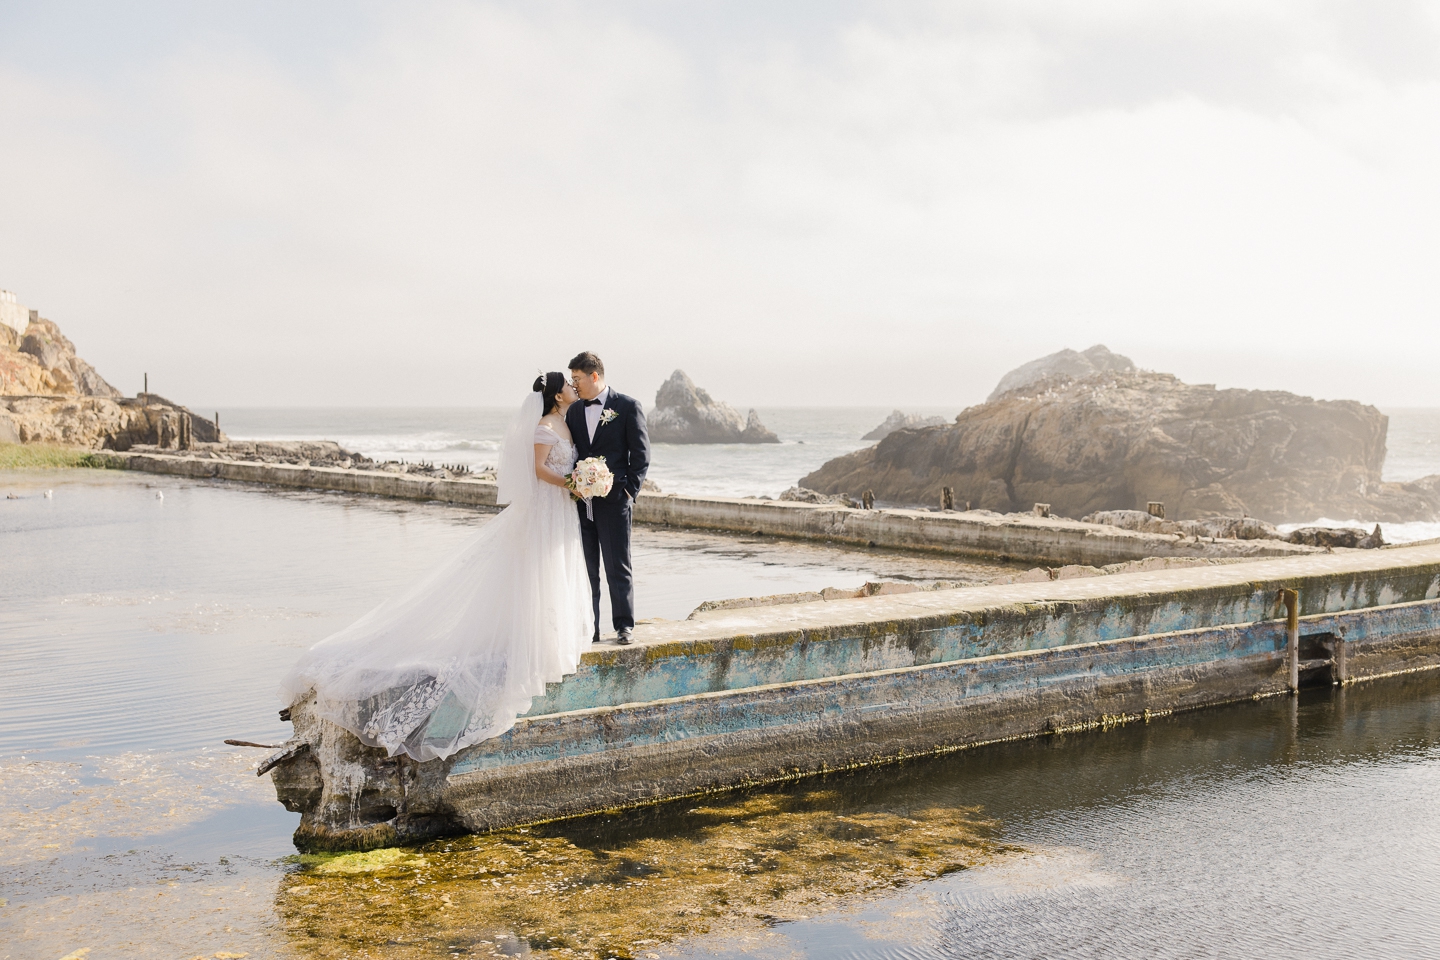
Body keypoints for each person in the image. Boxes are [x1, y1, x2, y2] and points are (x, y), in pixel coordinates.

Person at [278, 372, 594, 762]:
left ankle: (545, 633)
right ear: (556, 393)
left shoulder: (567, 419)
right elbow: (540, 469)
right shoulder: (545, 425)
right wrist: (572, 482)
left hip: (558, 510)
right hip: (549, 505)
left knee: (551, 568)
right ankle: (531, 638)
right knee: (534, 571)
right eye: (568, 384)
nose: (572, 388)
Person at [565, 351, 650, 644]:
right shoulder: (574, 411)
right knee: (587, 568)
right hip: (582, 503)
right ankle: (592, 627)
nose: (574, 385)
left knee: (617, 565)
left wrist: (628, 491)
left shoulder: (626, 406)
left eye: (577, 379)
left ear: (594, 376)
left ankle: (624, 625)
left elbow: (640, 454)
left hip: (615, 502)